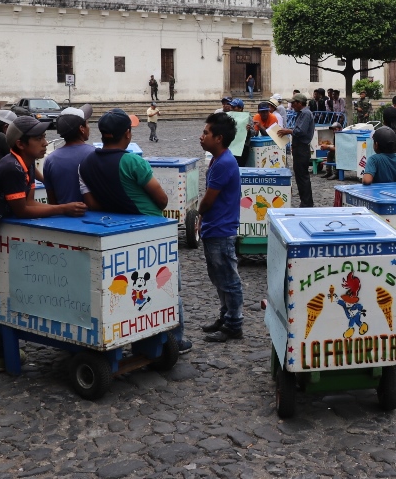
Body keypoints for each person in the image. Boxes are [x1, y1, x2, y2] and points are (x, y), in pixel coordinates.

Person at [0, 116, 86, 381]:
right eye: (39, 139)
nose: (45, 144)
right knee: (6, 299)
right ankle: (3, 356)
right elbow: (22, 210)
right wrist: (63, 209)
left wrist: (52, 211)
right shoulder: (11, 167)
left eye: (45, 138)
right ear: (21, 143)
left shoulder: (27, 165)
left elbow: (30, 203)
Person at [79, 109, 190, 353]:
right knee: (166, 285)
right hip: (151, 230)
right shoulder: (132, 161)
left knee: (126, 288)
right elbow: (161, 199)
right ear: (127, 134)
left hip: (116, 231)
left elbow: (92, 203)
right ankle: (176, 339)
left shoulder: (86, 163)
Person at [198, 113, 244, 343]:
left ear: (219, 138)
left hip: (221, 229)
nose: (202, 136)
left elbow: (208, 199)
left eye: (206, 133)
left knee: (228, 279)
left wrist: (198, 212)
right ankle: (225, 316)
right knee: (219, 277)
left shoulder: (224, 163)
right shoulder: (218, 159)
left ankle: (234, 324)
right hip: (214, 226)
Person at [41, 104, 95, 205]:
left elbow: (52, 201)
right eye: (87, 124)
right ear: (81, 128)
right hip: (95, 218)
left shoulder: (50, 160)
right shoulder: (94, 154)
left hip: (63, 218)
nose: (89, 127)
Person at [278, 94, 315, 208]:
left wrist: (288, 131)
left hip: (302, 147)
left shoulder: (305, 113)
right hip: (299, 147)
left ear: (299, 103)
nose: (292, 106)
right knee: (300, 175)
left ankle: (306, 202)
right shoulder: (302, 113)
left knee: (302, 176)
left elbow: (300, 131)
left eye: (293, 103)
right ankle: (305, 201)